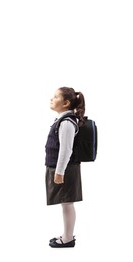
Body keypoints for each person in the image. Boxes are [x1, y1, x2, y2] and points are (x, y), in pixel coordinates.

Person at [45, 87, 85, 248]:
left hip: (65, 170)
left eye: (55, 97)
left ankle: (68, 238)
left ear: (66, 103)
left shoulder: (67, 122)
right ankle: (67, 235)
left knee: (67, 202)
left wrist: (60, 172)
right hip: (62, 168)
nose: (51, 99)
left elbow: (66, 149)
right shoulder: (63, 120)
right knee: (66, 202)